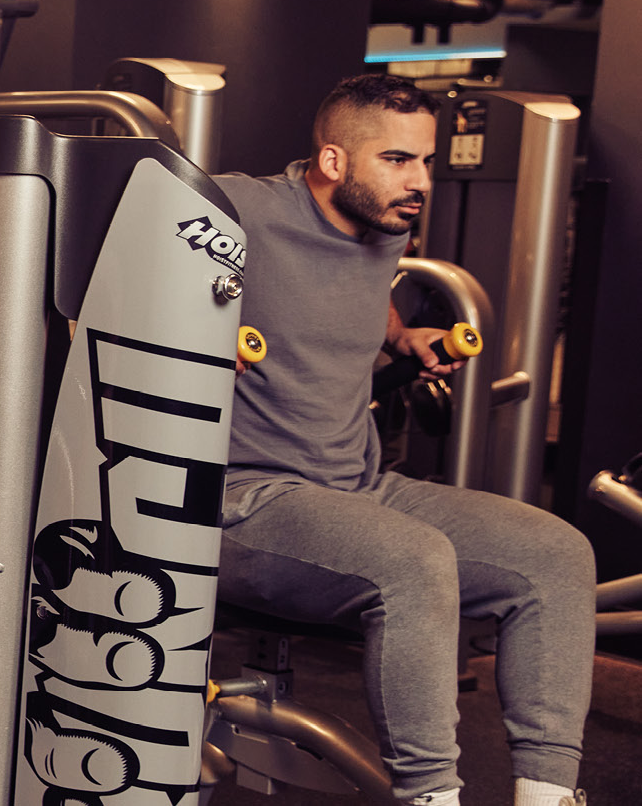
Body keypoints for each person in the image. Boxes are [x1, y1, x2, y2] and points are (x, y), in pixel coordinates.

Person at [214, 74, 594, 806]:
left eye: (425, 161)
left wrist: (401, 336)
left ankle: (546, 795)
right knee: (412, 559)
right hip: (242, 500)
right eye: (397, 160)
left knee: (555, 553)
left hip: (357, 486)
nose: (419, 181)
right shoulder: (241, 206)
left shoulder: (381, 229)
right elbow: (93, 249)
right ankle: (429, 797)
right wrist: (179, 322)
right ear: (331, 161)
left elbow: (360, 295)